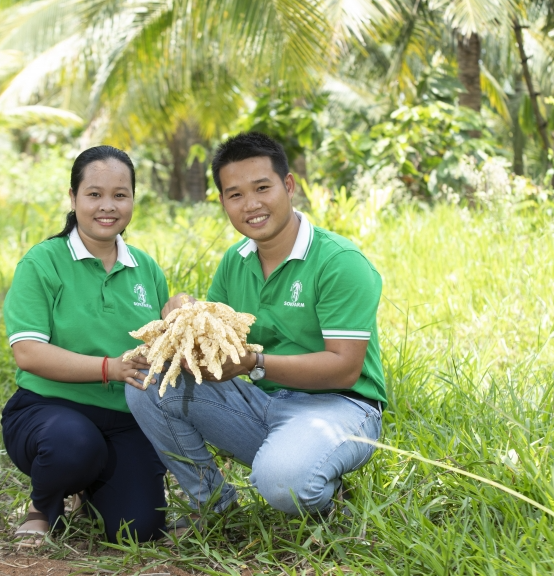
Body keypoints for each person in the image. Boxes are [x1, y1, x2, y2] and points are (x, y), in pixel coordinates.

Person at [126, 132, 385, 527]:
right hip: (262, 403)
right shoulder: (236, 259)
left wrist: (254, 363)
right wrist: (179, 313)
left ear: (288, 185)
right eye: (235, 195)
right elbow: (212, 339)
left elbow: (344, 367)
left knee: (282, 484)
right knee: (149, 382)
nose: (251, 205)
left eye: (262, 188)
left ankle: (322, 489)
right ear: (223, 203)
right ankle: (212, 505)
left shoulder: (340, 262)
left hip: (340, 406)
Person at [1, 145, 167, 543]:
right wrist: (109, 368)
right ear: (73, 198)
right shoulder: (43, 262)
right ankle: (44, 504)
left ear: (132, 200)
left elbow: (161, 346)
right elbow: (28, 352)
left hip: (126, 420)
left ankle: (93, 494)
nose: (107, 206)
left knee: (138, 530)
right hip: (50, 411)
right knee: (73, 445)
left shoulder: (146, 269)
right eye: (94, 194)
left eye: (120, 194)